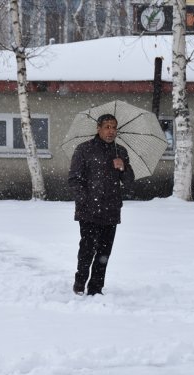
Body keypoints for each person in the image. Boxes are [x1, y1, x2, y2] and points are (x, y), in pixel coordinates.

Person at [68, 114, 134, 296]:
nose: (111, 131)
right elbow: (74, 179)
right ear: (98, 128)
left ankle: (96, 289)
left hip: (111, 210)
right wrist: (85, 200)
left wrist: (123, 168)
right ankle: (80, 282)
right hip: (89, 211)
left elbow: (129, 182)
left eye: (114, 127)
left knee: (104, 254)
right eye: (107, 127)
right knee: (87, 250)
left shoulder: (120, 151)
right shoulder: (84, 150)